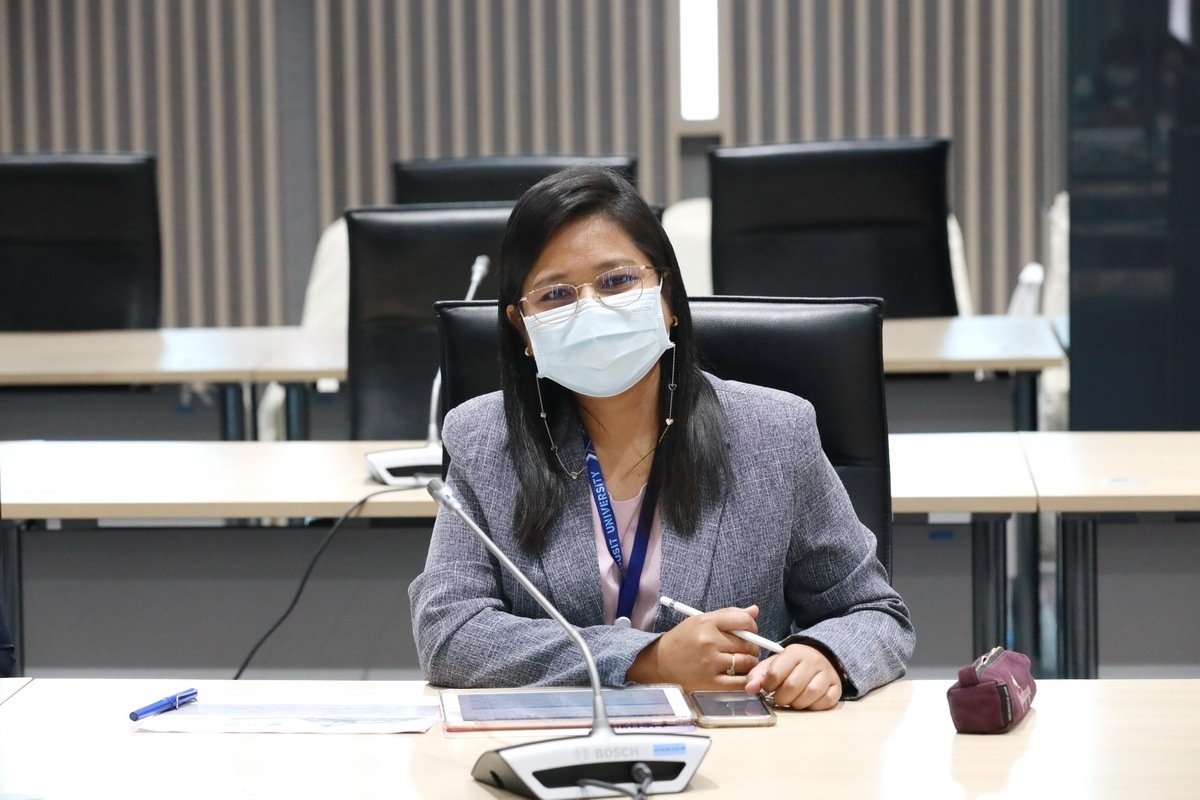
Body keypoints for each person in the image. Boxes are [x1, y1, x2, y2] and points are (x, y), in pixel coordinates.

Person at [409, 167, 913, 709]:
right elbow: (450, 632)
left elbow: (873, 613)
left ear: (667, 296)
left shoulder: (774, 432)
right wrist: (647, 660)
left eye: (616, 281)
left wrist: (823, 654)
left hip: (738, 746)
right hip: (556, 743)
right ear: (522, 328)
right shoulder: (484, 440)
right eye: (556, 294)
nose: (591, 308)